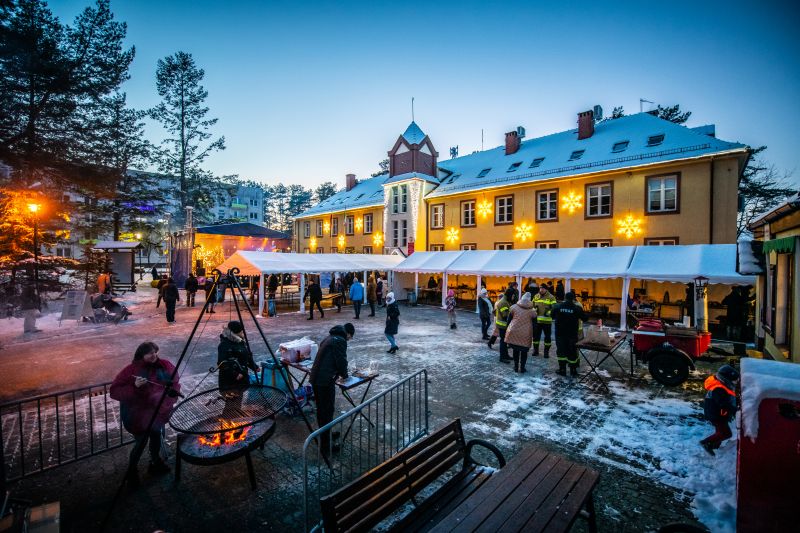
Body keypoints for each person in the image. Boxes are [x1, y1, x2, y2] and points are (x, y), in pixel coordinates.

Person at [110, 341, 181, 486]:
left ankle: (155, 463)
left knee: (156, 437)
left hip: (158, 414)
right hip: (137, 416)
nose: (154, 355)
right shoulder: (130, 370)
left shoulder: (165, 365)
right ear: (141, 355)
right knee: (140, 443)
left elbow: (175, 383)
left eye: (155, 351)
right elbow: (114, 391)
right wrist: (134, 387)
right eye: (149, 353)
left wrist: (169, 400)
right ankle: (132, 471)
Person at [310, 322, 354, 456]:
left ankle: (325, 433)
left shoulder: (329, 337)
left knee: (322, 410)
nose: (348, 340)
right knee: (327, 411)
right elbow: (341, 360)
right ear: (348, 334)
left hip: (316, 378)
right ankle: (325, 447)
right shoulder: (340, 340)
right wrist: (345, 375)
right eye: (350, 337)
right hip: (324, 381)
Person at [700, 365, 739, 455]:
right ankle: (706, 443)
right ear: (725, 379)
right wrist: (735, 410)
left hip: (719, 414)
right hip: (716, 415)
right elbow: (723, 403)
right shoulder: (718, 389)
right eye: (734, 381)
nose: (735, 383)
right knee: (726, 433)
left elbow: (728, 398)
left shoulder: (722, 386)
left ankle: (714, 446)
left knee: (720, 431)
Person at [552, 292, 588, 376]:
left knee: (561, 351)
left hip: (560, 334)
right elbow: (585, 318)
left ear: (565, 298)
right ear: (573, 298)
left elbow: (552, 316)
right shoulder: (577, 308)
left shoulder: (557, 306)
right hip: (572, 334)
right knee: (572, 351)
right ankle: (573, 370)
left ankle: (562, 369)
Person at [217, 321, 258, 391]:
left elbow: (246, 356)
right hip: (230, 382)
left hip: (241, 378)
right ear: (236, 332)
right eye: (241, 332)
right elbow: (222, 363)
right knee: (232, 399)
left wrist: (254, 366)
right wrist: (235, 375)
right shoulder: (224, 345)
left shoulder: (239, 342)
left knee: (239, 397)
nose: (243, 333)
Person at [505, 292, 537, 373]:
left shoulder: (514, 307)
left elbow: (508, 320)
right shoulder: (532, 311)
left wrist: (507, 330)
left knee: (515, 350)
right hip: (526, 333)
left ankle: (516, 367)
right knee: (524, 351)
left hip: (514, 331)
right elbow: (535, 325)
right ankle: (522, 368)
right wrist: (535, 335)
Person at [532, 285, 557, 358]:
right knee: (536, 337)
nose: (541, 290)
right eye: (540, 288)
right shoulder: (536, 296)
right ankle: (535, 350)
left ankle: (546, 352)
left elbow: (554, 308)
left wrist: (549, 312)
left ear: (546, 289)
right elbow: (531, 305)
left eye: (543, 288)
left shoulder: (551, 297)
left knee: (547, 337)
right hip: (537, 321)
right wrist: (534, 309)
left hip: (547, 322)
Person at [492, 289, 514, 364]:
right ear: (509, 295)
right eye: (513, 295)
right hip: (502, 325)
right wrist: (512, 313)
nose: (513, 297)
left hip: (504, 325)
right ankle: (502, 357)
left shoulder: (506, 301)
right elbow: (505, 315)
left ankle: (506, 355)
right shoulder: (503, 302)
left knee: (505, 341)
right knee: (503, 342)